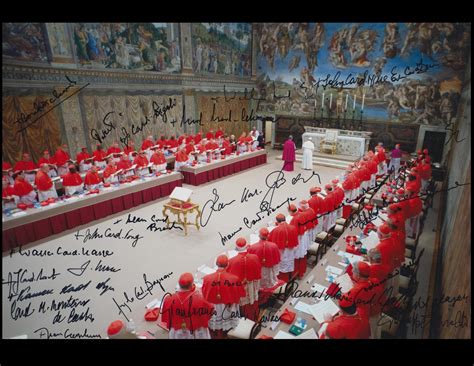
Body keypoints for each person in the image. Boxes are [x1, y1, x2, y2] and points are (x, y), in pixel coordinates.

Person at [202, 255, 245, 339]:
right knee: (227, 324)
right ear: (228, 264)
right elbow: (239, 294)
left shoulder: (207, 278)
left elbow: (204, 294)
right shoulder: (234, 278)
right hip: (227, 307)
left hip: (214, 307)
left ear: (216, 264)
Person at [161, 273, 214, 339]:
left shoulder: (169, 299)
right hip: (196, 331)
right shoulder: (201, 298)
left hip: (178, 331)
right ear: (192, 285)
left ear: (179, 285)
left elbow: (166, 316)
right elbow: (210, 311)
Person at [227, 238, 262, 321]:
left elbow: (230, 278)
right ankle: (253, 317)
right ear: (246, 246)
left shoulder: (231, 261)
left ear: (236, 247)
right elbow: (258, 270)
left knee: (243, 304)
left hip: (241, 287)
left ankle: (243, 319)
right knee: (252, 301)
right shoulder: (254, 257)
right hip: (251, 285)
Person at [268, 213, 298, 282]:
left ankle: (283, 283)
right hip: (290, 251)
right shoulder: (292, 228)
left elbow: (270, 241)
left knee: (282, 268)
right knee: (289, 264)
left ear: (277, 221)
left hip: (282, 252)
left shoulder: (276, 230)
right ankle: (290, 278)